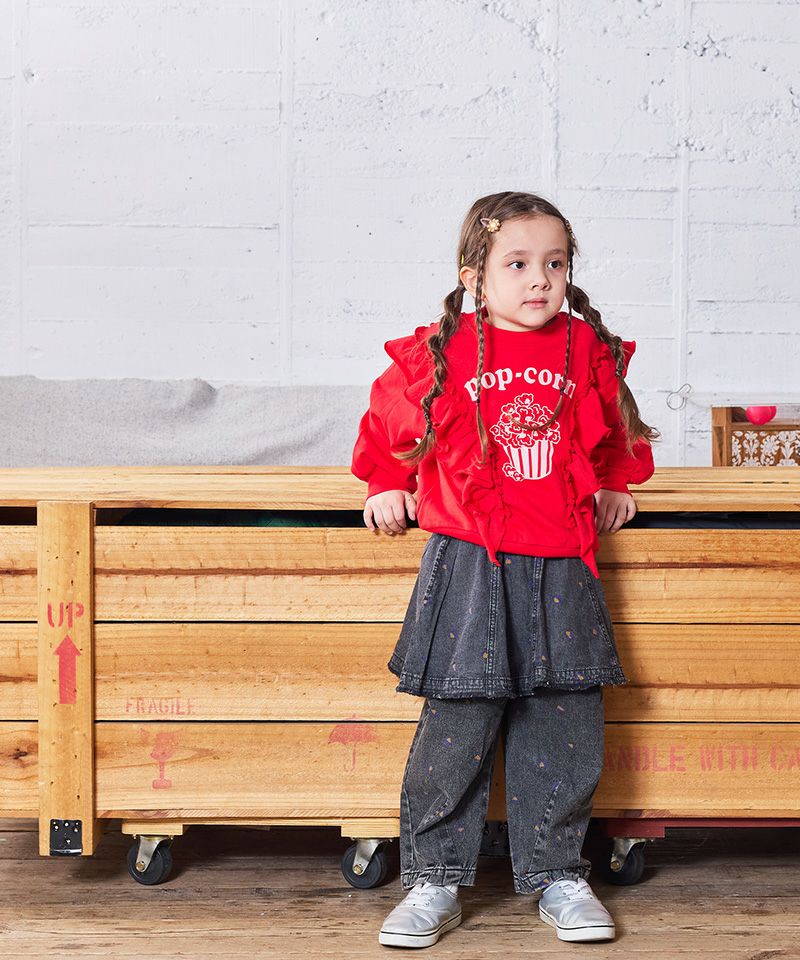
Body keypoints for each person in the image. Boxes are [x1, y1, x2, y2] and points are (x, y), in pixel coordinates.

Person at [350, 191, 661, 948]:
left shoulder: (583, 348)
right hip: (469, 560)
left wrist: (615, 481)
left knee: (563, 719)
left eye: (555, 263)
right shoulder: (444, 349)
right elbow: (388, 422)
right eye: (517, 264)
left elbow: (615, 427)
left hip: (562, 560)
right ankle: (433, 878)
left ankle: (557, 873)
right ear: (474, 278)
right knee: (457, 722)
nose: (539, 279)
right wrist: (386, 482)